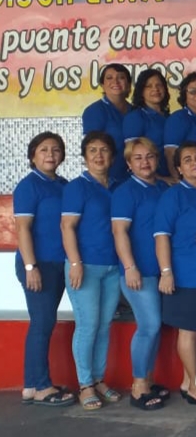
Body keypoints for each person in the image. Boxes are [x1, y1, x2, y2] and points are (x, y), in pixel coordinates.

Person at [60, 131, 122, 410]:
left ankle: (98, 379)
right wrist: (75, 262)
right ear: (85, 157)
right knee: (88, 326)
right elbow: (67, 227)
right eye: (93, 150)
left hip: (112, 267)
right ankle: (85, 385)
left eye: (104, 150)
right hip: (85, 267)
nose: (99, 155)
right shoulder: (77, 187)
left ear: (112, 156)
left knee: (105, 325)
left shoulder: (117, 186)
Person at [154, 142, 196, 407]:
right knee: (188, 332)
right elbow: (161, 236)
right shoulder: (173, 195)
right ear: (179, 168)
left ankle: (187, 380)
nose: (195, 163)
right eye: (187, 160)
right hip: (185, 274)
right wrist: (166, 272)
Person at [14, 132, 75, 407]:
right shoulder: (29, 186)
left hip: (60, 263)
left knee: (44, 322)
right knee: (42, 323)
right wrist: (30, 266)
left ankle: (31, 385)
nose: (50, 154)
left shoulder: (64, 185)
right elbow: (23, 229)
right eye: (43, 150)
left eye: (55, 149)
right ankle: (40, 386)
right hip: (38, 265)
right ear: (32, 156)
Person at [111, 138, 170, 410]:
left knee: (155, 328)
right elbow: (119, 232)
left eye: (149, 156)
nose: (144, 162)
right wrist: (129, 267)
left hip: (161, 271)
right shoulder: (126, 192)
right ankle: (138, 387)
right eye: (138, 158)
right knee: (149, 326)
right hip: (139, 271)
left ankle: (147, 379)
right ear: (128, 164)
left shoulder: (161, 187)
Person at [82, 63, 132, 181]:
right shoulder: (95, 111)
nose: (115, 81)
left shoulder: (135, 111)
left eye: (121, 77)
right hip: (107, 178)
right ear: (103, 85)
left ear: (129, 84)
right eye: (109, 78)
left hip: (134, 177)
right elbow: (92, 149)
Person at [164, 71, 196, 183]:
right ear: (184, 94)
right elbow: (170, 153)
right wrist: (179, 182)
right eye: (193, 91)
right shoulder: (178, 119)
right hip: (190, 183)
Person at [123, 68, 171, 179]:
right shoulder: (135, 118)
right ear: (141, 91)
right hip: (149, 179)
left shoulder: (169, 117)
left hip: (171, 176)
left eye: (159, 85)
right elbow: (132, 155)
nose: (155, 89)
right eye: (149, 86)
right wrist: (159, 178)